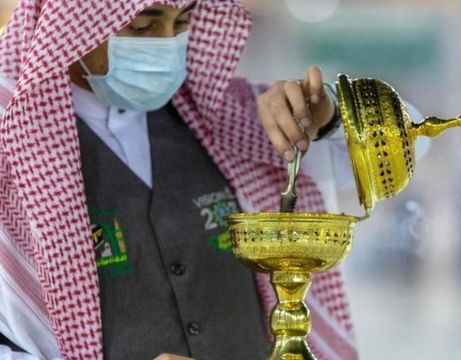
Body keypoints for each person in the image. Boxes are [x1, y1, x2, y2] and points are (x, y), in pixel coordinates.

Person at [0, 1, 359, 359]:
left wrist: (328, 115)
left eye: (182, 23)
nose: (167, 43)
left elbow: (393, 151)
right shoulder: (10, 133)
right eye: (142, 28)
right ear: (73, 22)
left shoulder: (218, 116)